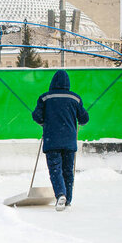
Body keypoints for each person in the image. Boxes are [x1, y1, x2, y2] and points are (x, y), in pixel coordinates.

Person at [32, 69, 89, 211]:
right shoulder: (75, 98)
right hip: (69, 140)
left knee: (55, 169)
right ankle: (68, 199)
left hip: (52, 140)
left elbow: (37, 116)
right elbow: (84, 119)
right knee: (68, 170)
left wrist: (45, 121)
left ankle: (60, 194)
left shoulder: (45, 98)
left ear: (53, 82)